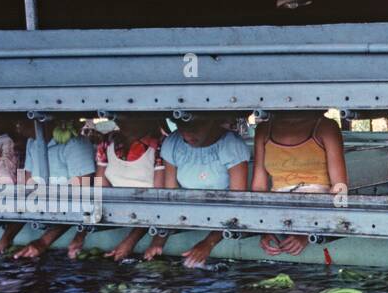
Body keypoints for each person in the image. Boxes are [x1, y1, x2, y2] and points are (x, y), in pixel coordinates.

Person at [65, 115, 168, 261]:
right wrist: (81, 234)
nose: (122, 120)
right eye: (119, 116)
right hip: (118, 215)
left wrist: (131, 240)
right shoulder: (108, 142)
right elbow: (100, 192)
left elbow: (159, 200)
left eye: (128, 116)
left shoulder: (161, 145)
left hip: (148, 218)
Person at [252, 111, 347, 259]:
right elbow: (259, 188)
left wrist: (310, 232)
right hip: (276, 211)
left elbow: (340, 188)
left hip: (318, 209)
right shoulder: (263, 130)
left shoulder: (326, 127)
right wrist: (266, 229)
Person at [159, 115, 250, 268]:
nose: (188, 135)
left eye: (195, 128)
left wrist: (209, 243)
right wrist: (158, 242)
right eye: (183, 128)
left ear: (212, 121)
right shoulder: (173, 143)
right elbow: (170, 199)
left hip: (225, 217)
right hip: (188, 216)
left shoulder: (231, 145)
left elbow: (237, 204)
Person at [0, 118, 97, 258]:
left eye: (25, 118)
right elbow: (28, 190)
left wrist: (44, 241)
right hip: (48, 208)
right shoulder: (32, 142)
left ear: (44, 122)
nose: (18, 123)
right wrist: (7, 237)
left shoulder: (75, 144)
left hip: (73, 210)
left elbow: (77, 197)